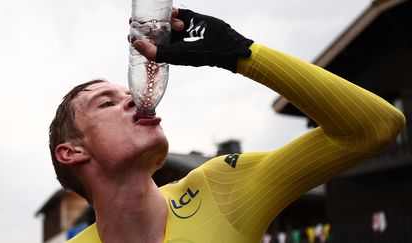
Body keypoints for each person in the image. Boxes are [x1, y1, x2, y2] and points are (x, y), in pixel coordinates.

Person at [49, 8, 406, 243]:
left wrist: (241, 55)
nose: (133, 98)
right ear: (71, 151)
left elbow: (375, 126)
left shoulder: (220, 187)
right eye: (107, 102)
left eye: (129, 91)